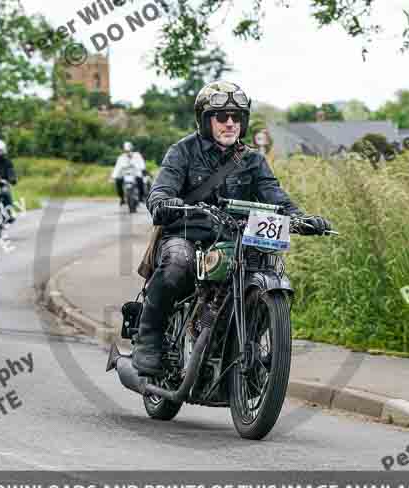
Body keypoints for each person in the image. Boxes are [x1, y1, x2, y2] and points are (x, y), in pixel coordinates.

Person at [131, 81, 332, 377]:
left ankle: (242, 344)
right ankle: (150, 340)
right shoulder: (183, 152)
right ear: (205, 120)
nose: (229, 123)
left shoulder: (252, 160)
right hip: (189, 235)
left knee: (264, 271)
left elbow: (274, 196)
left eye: (236, 117)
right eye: (221, 116)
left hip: (235, 239)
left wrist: (301, 219)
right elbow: (161, 189)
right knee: (177, 262)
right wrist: (163, 201)